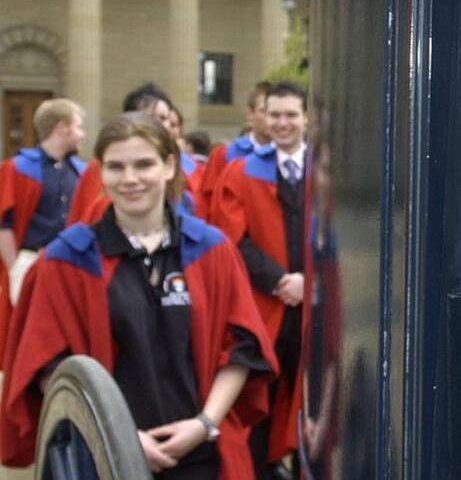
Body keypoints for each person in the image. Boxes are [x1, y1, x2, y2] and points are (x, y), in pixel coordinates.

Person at [0, 112, 278, 479]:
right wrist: (118, 436)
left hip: (199, 452)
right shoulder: (67, 259)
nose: (129, 179)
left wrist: (205, 423)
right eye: (116, 167)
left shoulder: (211, 251)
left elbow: (241, 347)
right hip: (101, 456)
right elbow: (46, 363)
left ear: (168, 166)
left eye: (143, 164)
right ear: (100, 173)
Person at [212, 81, 309, 479]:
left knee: (313, 404)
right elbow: (232, 239)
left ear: (307, 117)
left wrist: (310, 281)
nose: (282, 123)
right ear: (262, 117)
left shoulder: (331, 171)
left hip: (314, 309)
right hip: (263, 306)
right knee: (257, 399)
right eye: (274, 115)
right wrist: (281, 281)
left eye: (290, 114)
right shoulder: (241, 171)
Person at [0, 98, 87, 351]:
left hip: (69, 263)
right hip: (29, 260)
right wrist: (15, 265)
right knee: (27, 331)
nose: (83, 134)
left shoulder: (80, 172)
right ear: (62, 128)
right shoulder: (18, 168)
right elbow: (4, 223)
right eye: (79, 127)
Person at [68, 83, 206, 223]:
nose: (159, 124)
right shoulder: (100, 169)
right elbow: (87, 220)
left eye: (164, 118)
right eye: (149, 117)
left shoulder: (193, 169)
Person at [201, 81, 271, 215]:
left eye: (275, 112)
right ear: (250, 114)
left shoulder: (291, 159)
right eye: (264, 111)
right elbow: (208, 205)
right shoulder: (224, 155)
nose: (271, 118)